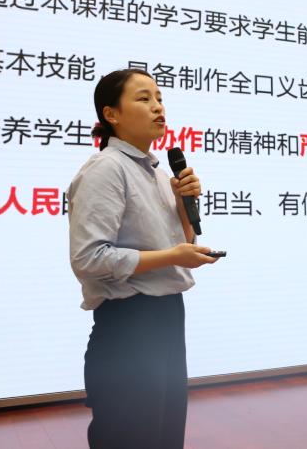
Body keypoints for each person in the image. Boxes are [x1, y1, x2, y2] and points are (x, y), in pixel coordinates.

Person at [68, 68, 219, 448]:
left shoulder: (158, 173)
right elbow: (89, 258)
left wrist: (184, 205)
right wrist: (172, 255)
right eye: (144, 98)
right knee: (130, 437)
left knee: (165, 436)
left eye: (160, 98)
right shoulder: (106, 168)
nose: (157, 107)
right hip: (128, 326)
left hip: (167, 317)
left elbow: (181, 243)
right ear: (111, 114)